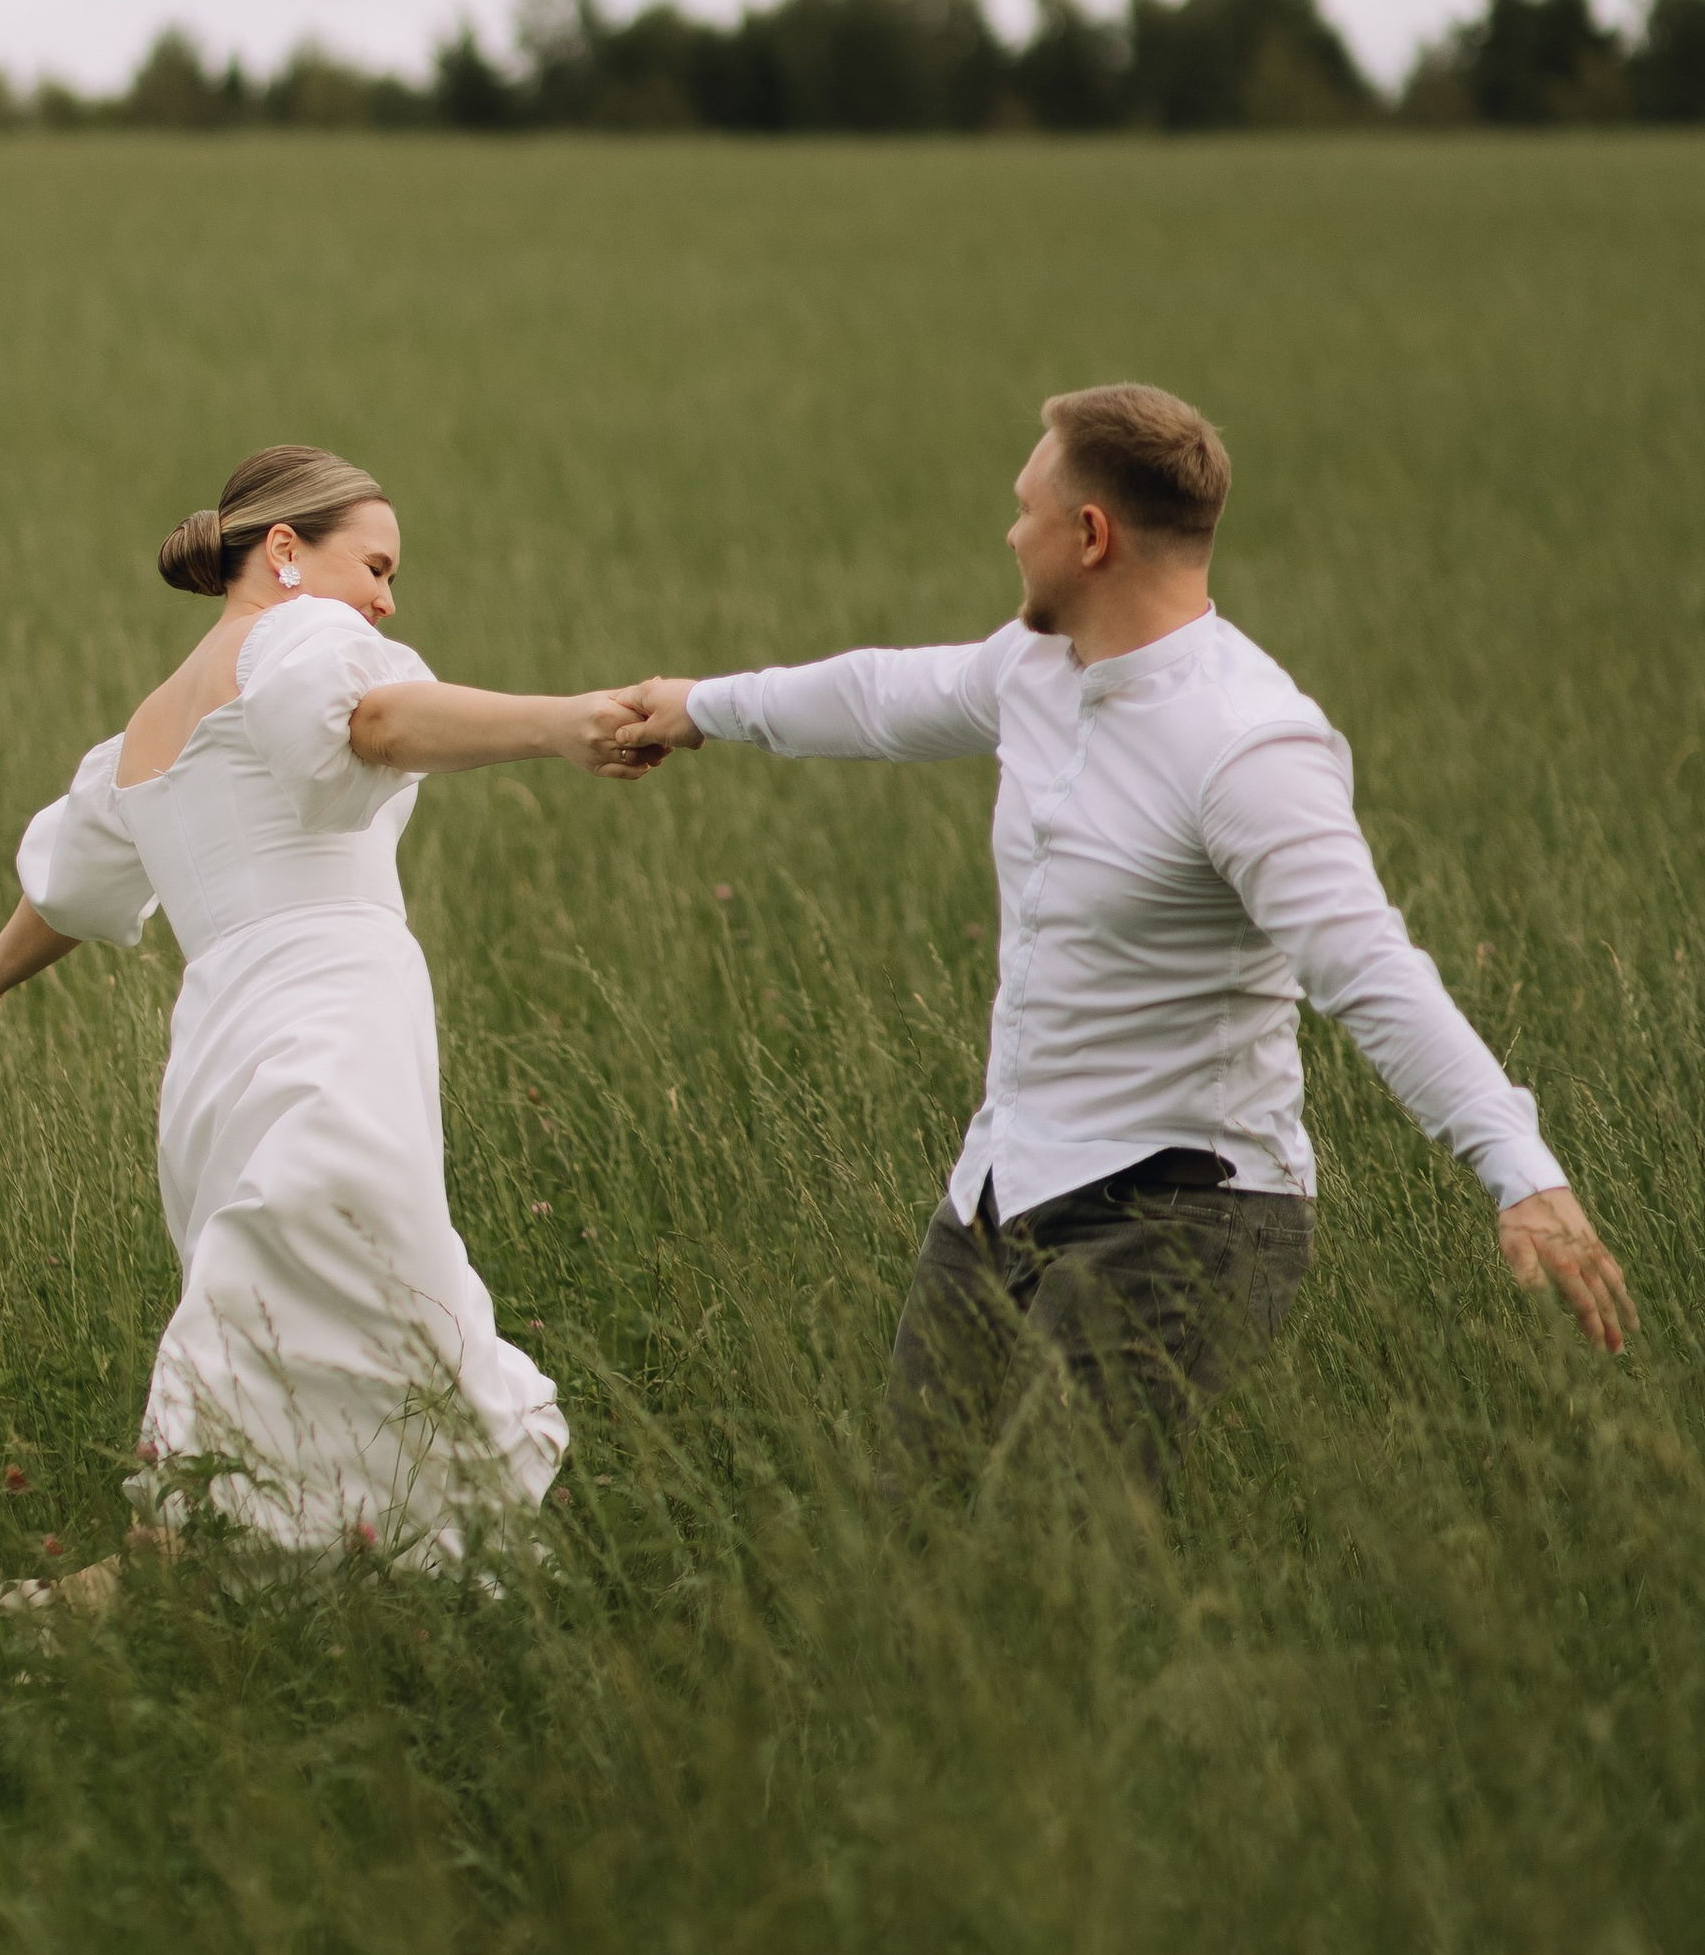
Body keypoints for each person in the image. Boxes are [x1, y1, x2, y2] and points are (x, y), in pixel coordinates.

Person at [618, 383, 1632, 1498]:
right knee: (910, 1537)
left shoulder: (1247, 745)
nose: (1009, 535)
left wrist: (1517, 1171)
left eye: (1023, 510)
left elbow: (1369, 970)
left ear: (1088, 535)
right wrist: (697, 704)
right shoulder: (1032, 670)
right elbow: (876, 696)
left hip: (1184, 1211)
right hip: (1001, 1189)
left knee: (1065, 1559)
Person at [0, 444, 657, 1567]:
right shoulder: (304, 636)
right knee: (326, 1256)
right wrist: (562, 725)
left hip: (218, 1043)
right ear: (286, 551)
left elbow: (76, 882)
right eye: (378, 565)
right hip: (328, 1005)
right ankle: (210, 1540)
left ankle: (298, 1552)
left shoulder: (144, 733)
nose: (388, 599)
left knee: (312, 1268)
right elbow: (377, 725)